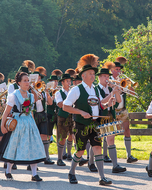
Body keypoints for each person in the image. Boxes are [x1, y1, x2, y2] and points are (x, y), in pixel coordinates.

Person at [63, 54, 113, 186]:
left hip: (95, 125)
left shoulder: (96, 89)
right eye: (90, 73)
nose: (93, 76)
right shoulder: (76, 90)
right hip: (81, 124)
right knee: (80, 150)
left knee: (98, 148)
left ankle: (102, 177)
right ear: (83, 75)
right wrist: (80, 111)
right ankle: (72, 172)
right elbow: (65, 106)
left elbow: (99, 104)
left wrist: (107, 104)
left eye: (93, 74)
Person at [0, 72, 46, 181]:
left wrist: (33, 124)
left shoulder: (31, 96)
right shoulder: (14, 95)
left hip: (29, 123)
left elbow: (31, 112)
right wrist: (2, 125)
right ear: (19, 83)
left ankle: (34, 174)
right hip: (17, 123)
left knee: (33, 146)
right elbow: (6, 112)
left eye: (28, 80)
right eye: (25, 80)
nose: (27, 82)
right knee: (13, 146)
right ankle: (8, 170)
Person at [96, 68, 126, 173]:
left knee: (111, 139)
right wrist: (112, 93)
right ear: (99, 77)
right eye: (104, 76)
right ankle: (91, 163)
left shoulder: (110, 88)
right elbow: (101, 102)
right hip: (100, 116)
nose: (106, 78)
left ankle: (115, 165)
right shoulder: (96, 89)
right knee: (96, 141)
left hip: (110, 116)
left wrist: (116, 89)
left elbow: (118, 100)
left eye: (108, 76)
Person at [109, 60, 138, 163]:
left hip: (122, 109)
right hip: (112, 110)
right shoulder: (109, 80)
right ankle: (105, 155)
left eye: (119, 70)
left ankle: (129, 155)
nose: (119, 71)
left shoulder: (122, 80)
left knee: (127, 130)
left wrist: (128, 84)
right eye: (116, 69)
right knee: (109, 133)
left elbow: (132, 92)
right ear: (112, 70)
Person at [33, 67, 54, 165]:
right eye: (37, 78)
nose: (39, 80)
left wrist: (47, 93)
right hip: (33, 114)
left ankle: (46, 157)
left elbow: (50, 103)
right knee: (33, 137)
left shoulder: (42, 90)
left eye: (40, 79)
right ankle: (33, 158)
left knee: (44, 136)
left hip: (42, 114)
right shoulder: (30, 91)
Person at [55, 73, 73, 166]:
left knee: (72, 135)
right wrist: (70, 98)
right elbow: (60, 105)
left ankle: (70, 154)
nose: (69, 83)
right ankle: (59, 158)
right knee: (62, 137)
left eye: (70, 81)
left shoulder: (73, 91)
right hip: (62, 116)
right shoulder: (58, 93)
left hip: (72, 116)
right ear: (62, 82)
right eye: (67, 81)